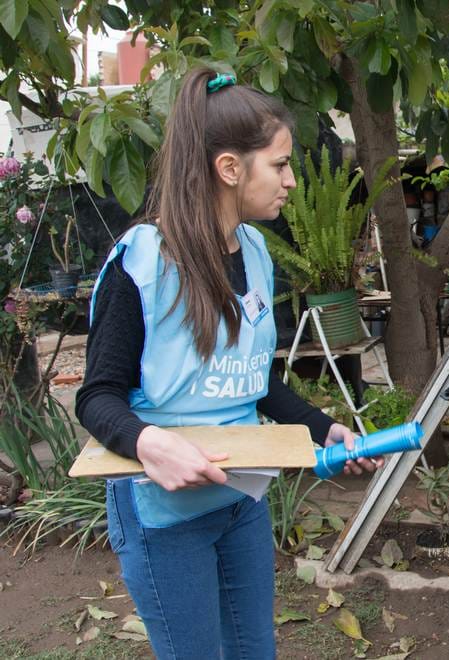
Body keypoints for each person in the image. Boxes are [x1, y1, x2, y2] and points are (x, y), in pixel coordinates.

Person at [75, 68, 381, 659]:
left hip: (239, 503)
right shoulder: (141, 264)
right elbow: (97, 396)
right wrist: (149, 444)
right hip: (162, 513)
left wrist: (323, 427)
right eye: (281, 164)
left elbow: (253, 379)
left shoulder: (259, 252)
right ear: (230, 168)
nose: (292, 180)